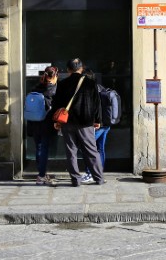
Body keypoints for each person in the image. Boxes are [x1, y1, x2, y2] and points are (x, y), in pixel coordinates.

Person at [50, 58, 105, 186]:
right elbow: (97, 104)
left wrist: (57, 121)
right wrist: (98, 121)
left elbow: (57, 103)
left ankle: (75, 180)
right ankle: (99, 178)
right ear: (81, 68)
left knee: (71, 151)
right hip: (85, 122)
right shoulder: (90, 83)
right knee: (92, 151)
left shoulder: (63, 83)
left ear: (68, 69)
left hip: (67, 122)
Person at [79, 70, 113, 184]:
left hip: (97, 125)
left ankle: (90, 173)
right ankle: (99, 173)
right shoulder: (101, 88)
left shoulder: (90, 91)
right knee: (100, 149)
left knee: (89, 149)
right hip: (106, 125)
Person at [29, 66, 59, 185]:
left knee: (39, 148)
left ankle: (41, 173)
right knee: (44, 148)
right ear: (55, 75)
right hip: (47, 123)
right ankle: (41, 176)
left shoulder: (35, 87)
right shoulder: (53, 90)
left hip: (35, 122)